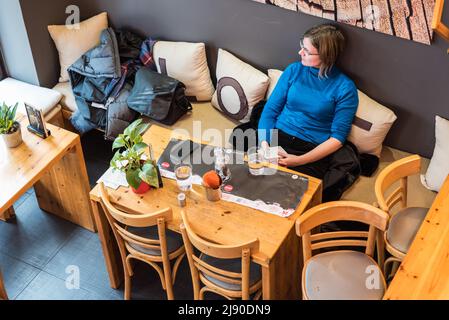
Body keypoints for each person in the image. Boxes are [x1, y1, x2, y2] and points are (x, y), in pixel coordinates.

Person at [258, 24, 359, 180]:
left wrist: (298, 161)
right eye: (301, 46)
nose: (300, 53)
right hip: (277, 137)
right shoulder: (294, 70)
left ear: (326, 55)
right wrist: (265, 146)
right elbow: (270, 110)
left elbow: (337, 138)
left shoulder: (345, 88)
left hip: (310, 149)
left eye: (307, 51)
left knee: (290, 191)